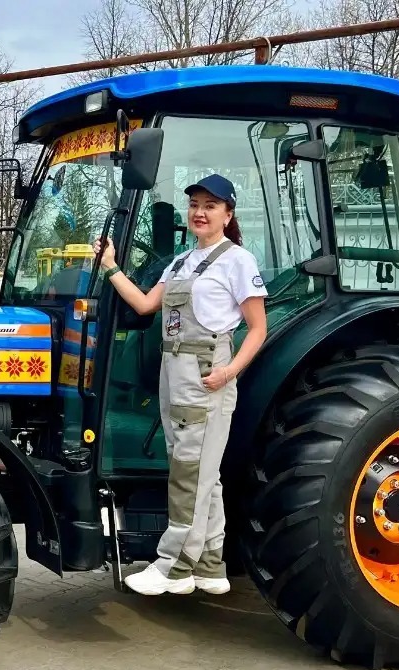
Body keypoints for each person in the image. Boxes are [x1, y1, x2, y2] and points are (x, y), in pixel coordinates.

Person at [92, 174, 268, 596]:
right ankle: (210, 566)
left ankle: (174, 565)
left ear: (228, 214)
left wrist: (229, 373)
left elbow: (258, 329)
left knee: (190, 473)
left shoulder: (238, 261)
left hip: (208, 373)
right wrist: (111, 267)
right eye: (195, 205)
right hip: (174, 374)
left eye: (210, 205)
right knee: (202, 473)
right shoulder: (181, 262)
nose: (200, 213)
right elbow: (145, 305)